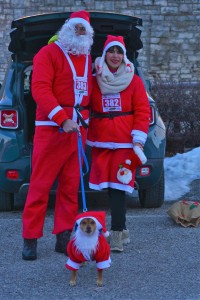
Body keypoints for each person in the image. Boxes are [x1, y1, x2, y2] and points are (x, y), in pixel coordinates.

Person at [22, 10, 94, 260]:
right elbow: (39, 89)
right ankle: (30, 240)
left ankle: (63, 237)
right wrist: (61, 119)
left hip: (78, 131)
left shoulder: (87, 58)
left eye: (84, 29)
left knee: (70, 187)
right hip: (51, 129)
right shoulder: (47, 54)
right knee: (40, 186)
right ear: (67, 28)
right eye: (76, 28)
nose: (80, 33)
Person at [86, 35, 150, 252]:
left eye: (119, 52)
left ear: (124, 56)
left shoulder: (134, 80)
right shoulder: (94, 79)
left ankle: (116, 234)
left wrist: (138, 141)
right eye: (111, 51)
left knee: (119, 187)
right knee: (104, 186)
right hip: (101, 142)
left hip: (125, 143)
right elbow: (84, 104)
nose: (115, 56)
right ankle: (121, 230)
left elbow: (142, 111)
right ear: (105, 54)